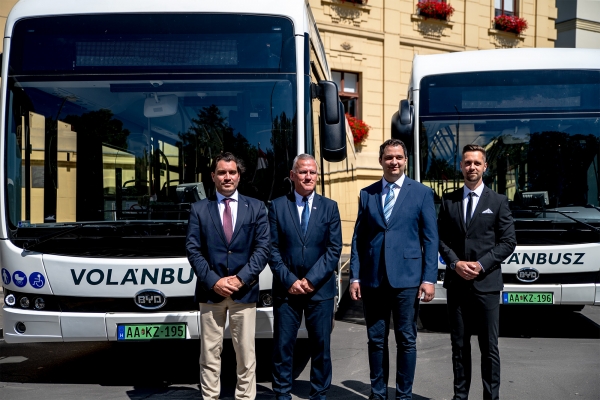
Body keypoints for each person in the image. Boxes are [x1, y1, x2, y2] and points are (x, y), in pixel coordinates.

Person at [349, 139, 439, 400]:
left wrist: (429, 279)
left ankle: (403, 395)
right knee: (376, 340)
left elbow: (430, 239)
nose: (394, 162)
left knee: (406, 339)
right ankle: (378, 394)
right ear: (381, 160)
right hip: (373, 279)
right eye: (389, 157)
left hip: (407, 280)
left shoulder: (422, 193)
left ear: (406, 160)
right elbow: (359, 239)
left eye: (399, 157)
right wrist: (354, 276)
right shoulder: (367, 194)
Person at [186, 152, 270, 400]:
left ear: (239, 176)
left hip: (244, 292)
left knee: (246, 354)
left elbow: (262, 248)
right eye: (222, 172)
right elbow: (193, 249)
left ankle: (245, 398)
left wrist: (240, 279)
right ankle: (210, 397)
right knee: (209, 354)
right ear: (213, 176)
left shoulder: (256, 207)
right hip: (210, 293)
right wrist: (214, 281)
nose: (227, 177)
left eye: (232, 172)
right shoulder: (199, 209)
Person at [437, 144, 516, 400]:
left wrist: (481, 265)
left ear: (485, 167)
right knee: (459, 346)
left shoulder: (498, 201)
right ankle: (460, 397)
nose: (472, 167)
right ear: (461, 166)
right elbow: (440, 239)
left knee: (489, 348)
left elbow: (508, 242)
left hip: (487, 285)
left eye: (477, 163)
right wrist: (454, 263)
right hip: (457, 285)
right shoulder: (449, 200)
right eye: (467, 163)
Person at [269, 154, 342, 400]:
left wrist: (311, 280)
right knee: (283, 347)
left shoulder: (330, 207)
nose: (308, 176)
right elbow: (271, 249)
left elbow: (334, 249)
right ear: (293, 175)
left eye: (312, 172)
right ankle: (282, 393)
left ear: (317, 176)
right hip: (286, 290)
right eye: (302, 172)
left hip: (320, 290)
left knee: (320, 347)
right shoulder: (277, 206)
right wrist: (289, 280)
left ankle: (319, 393)